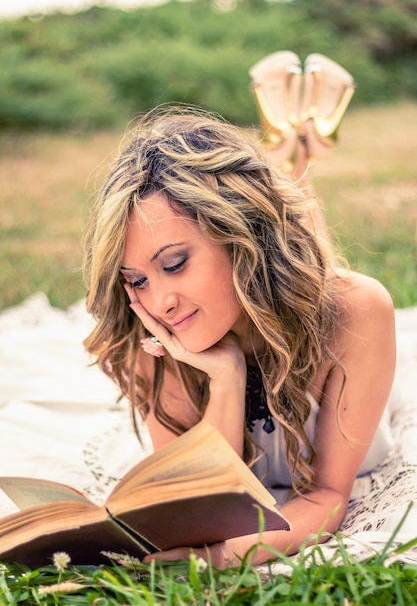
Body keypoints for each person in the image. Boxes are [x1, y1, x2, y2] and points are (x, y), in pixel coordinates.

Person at [83, 104, 396, 568]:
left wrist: (225, 557)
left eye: (174, 264)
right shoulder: (153, 340)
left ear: (239, 236)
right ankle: (291, 139)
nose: (162, 301)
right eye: (140, 279)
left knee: (312, 274)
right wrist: (226, 376)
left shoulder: (358, 312)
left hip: (303, 310)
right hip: (244, 316)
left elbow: (328, 494)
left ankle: (296, 138)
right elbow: (203, 506)